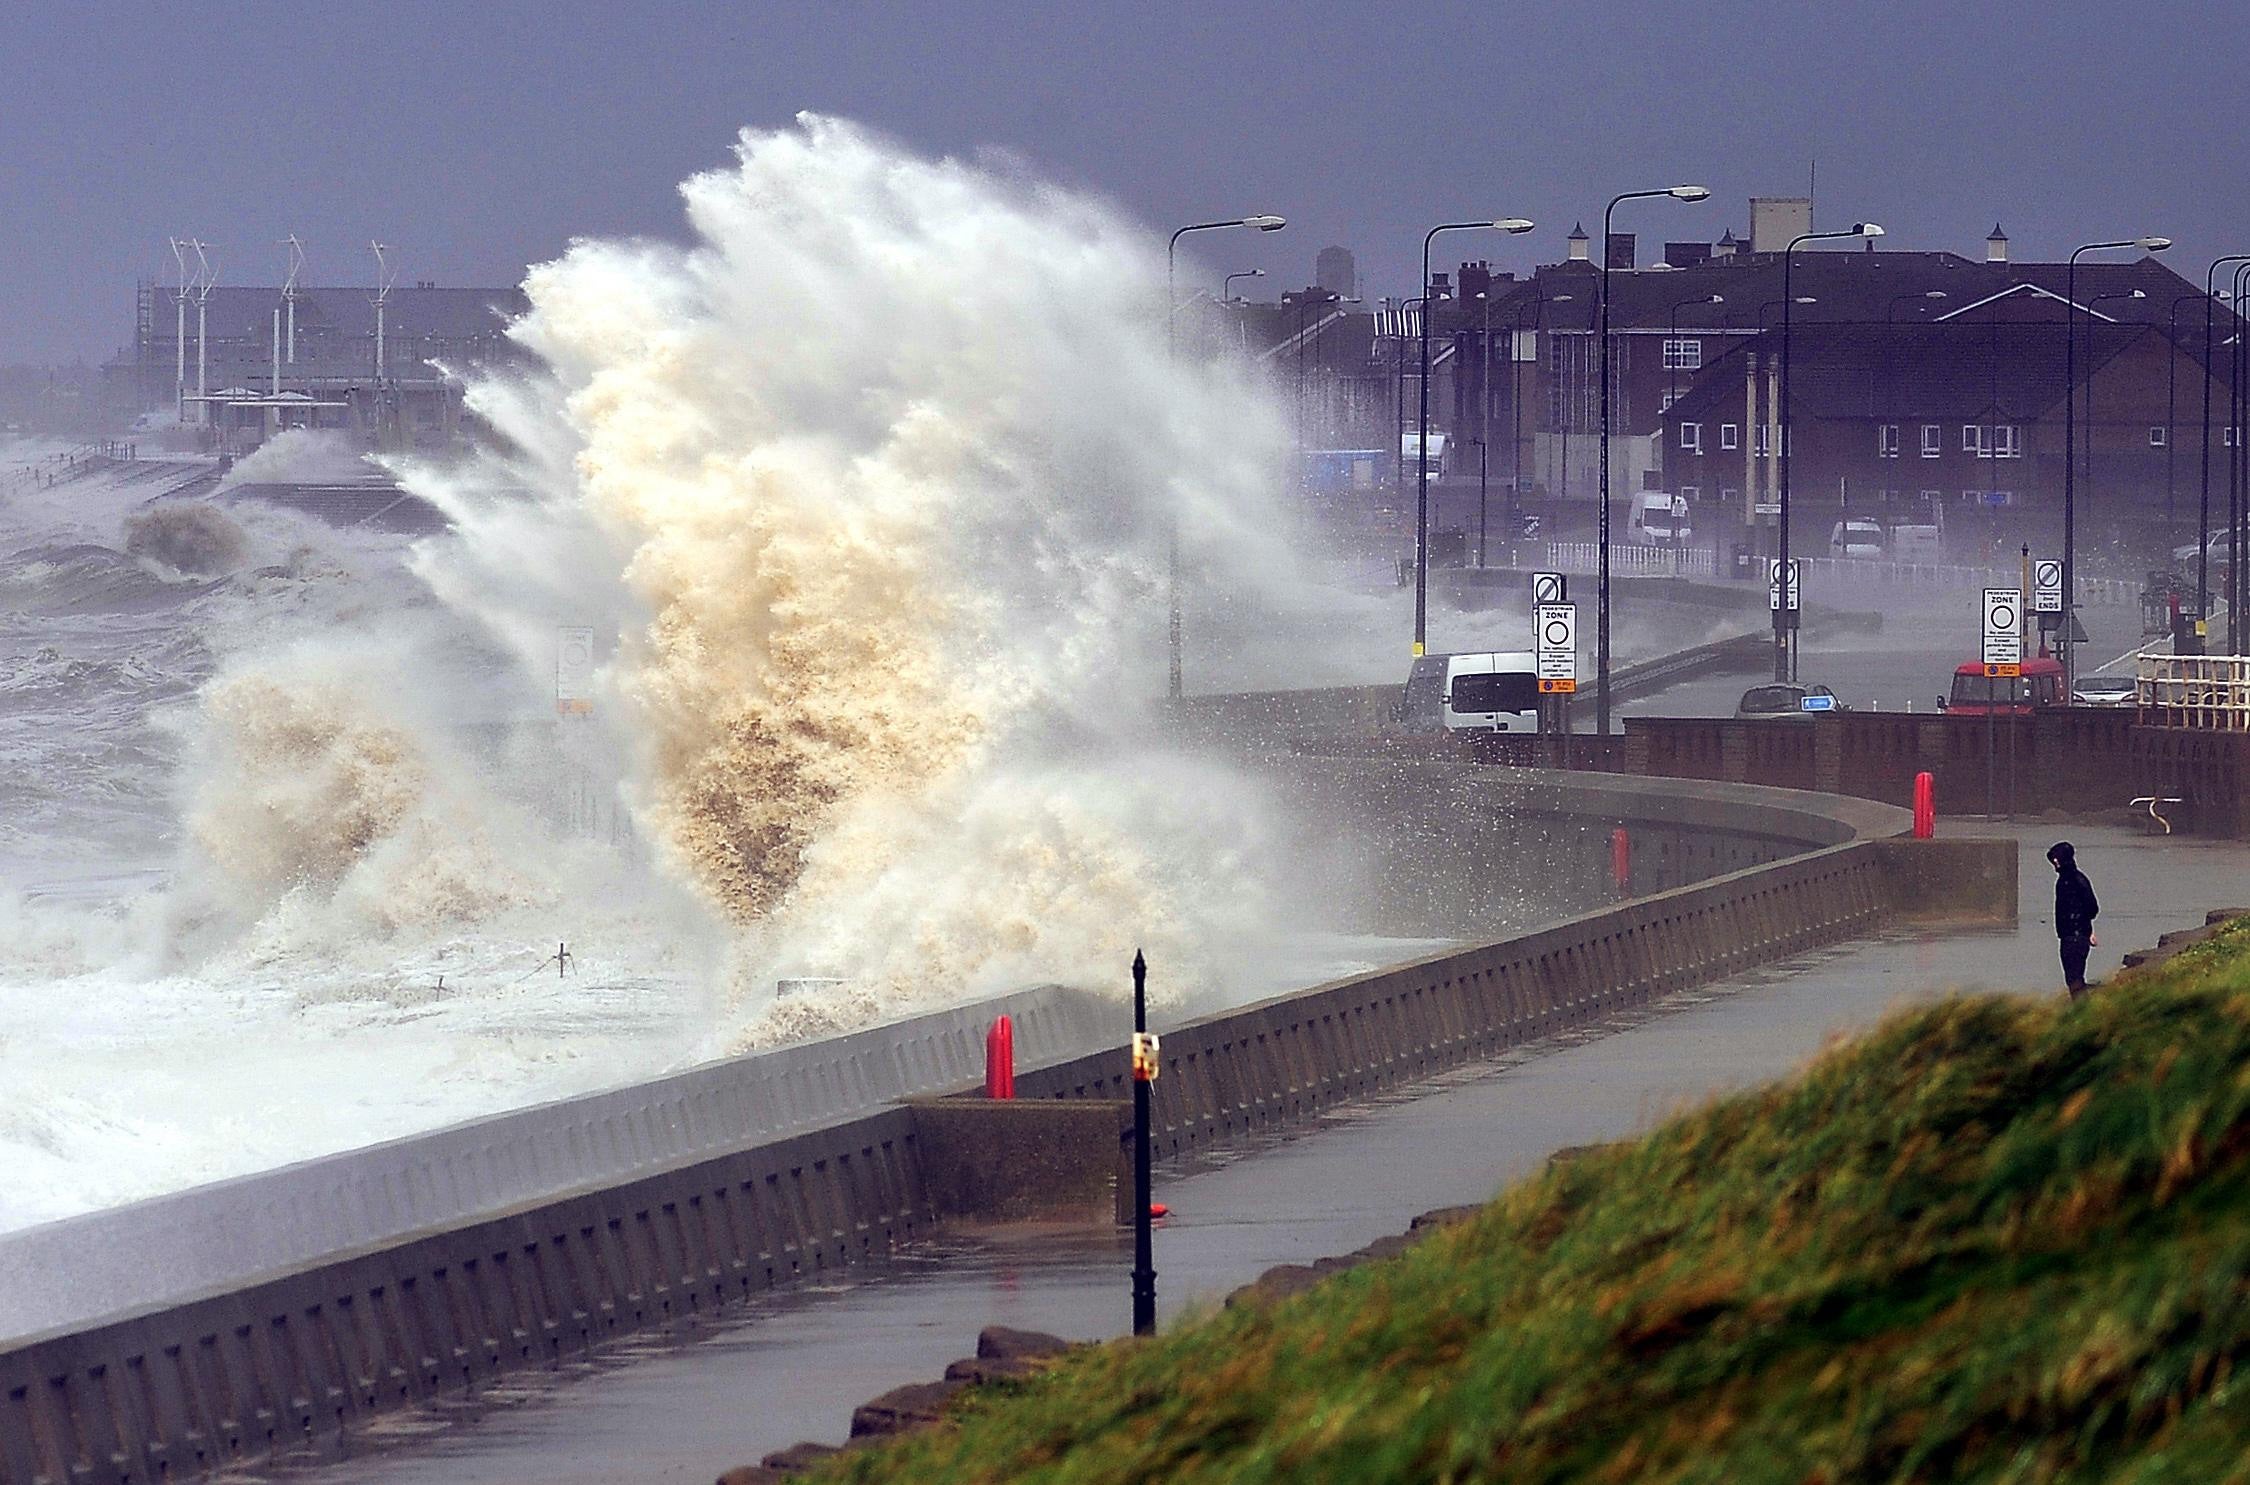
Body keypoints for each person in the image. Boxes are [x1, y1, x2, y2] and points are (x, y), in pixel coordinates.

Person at [2048, 841, 2099, 998]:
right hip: (2071, 935)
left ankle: (2083, 1012)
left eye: (2056, 859)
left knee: (2074, 978)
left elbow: (2092, 908)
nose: (2054, 863)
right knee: (2073, 978)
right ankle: (2082, 1010)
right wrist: (2088, 929)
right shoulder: (2067, 880)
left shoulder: (2075, 880)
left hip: (2074, 937)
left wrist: (2085, 928)